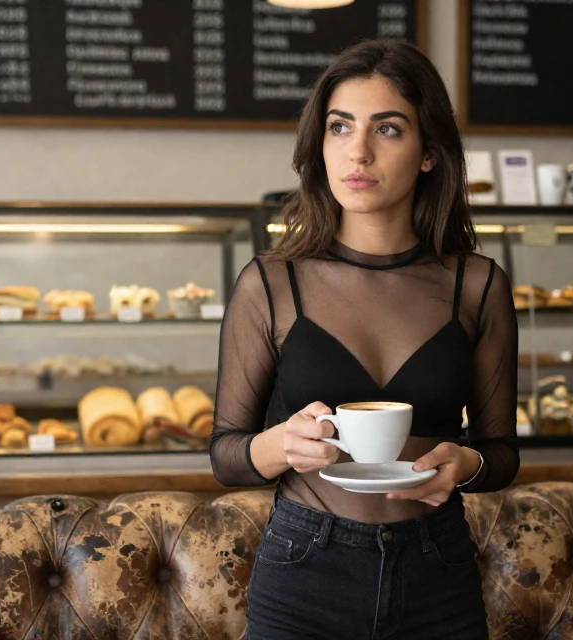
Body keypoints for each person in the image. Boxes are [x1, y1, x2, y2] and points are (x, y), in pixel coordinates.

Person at [210, 39, 519, 640]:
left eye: (389, 129)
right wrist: (281, 447)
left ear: (430, 153)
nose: (359, 150)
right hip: (304, 568)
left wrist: (467, 464)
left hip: (438, 569)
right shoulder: (271, 284)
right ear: (319, 145)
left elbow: (501, 452)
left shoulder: (477, 285)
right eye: (340, 127)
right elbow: (226, 454)